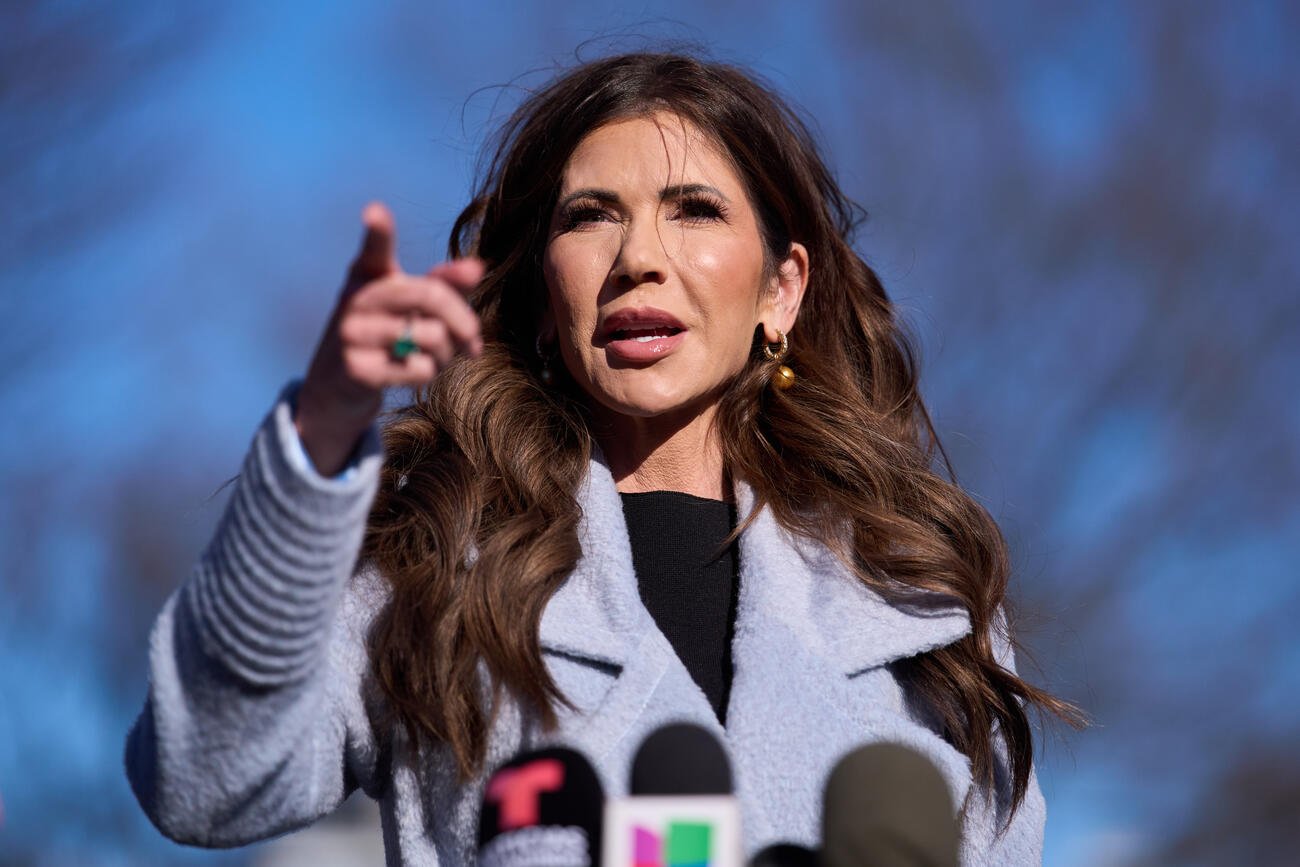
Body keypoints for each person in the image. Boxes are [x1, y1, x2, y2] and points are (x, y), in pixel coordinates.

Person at [125, 51, 1078, 865]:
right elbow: (206, 778)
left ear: (781, 291)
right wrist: (324, 429)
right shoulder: (436, 562)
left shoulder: (915, 600)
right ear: (545, 298)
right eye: (590, 216)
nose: (638, 259)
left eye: (694, 209)